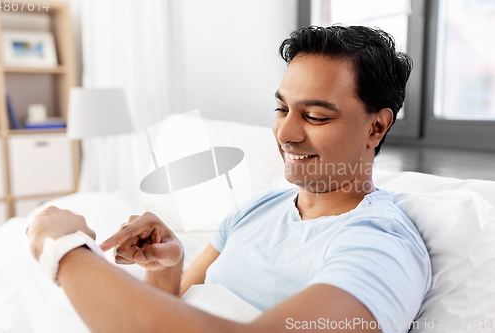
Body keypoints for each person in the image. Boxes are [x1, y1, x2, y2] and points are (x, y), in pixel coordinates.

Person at [26, 25, 431, 333]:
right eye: (281, 109)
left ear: (376, 128)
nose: (285, 134)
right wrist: (168, 271)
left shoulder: (381, 244)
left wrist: (62, 249)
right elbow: (174, 313)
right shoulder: (259, 208)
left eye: (315, 116)